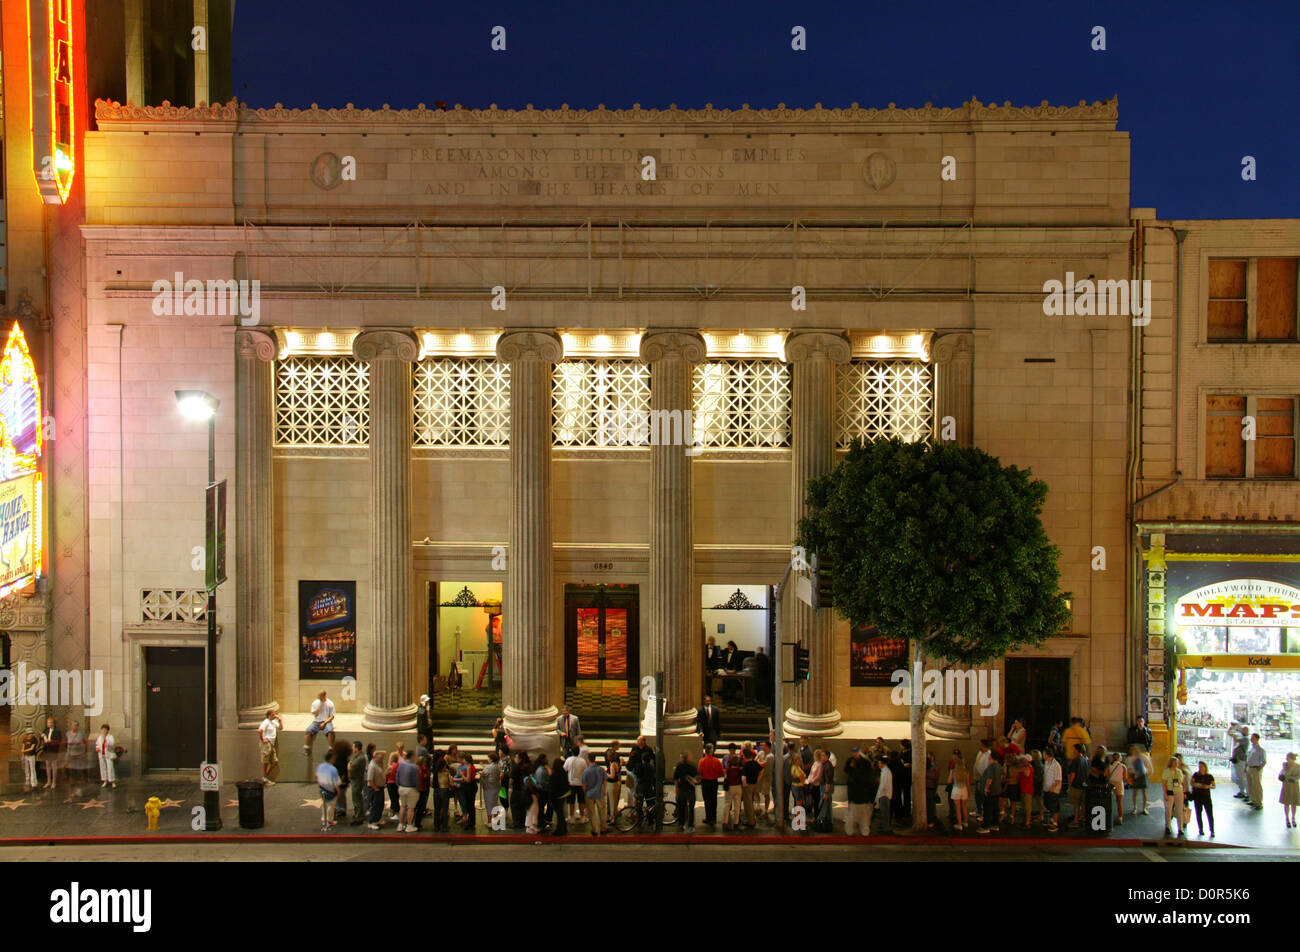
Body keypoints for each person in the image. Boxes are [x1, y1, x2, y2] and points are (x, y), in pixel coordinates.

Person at [844, 747, 876, 836]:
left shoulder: (865, 762)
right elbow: (846, 770)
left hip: (862, 793)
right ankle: (850, 830)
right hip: (853, 793)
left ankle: (865, 830)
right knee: (852, 813)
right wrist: (850, 767)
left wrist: (868, 789)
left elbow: (869, 776)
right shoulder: (850, 761)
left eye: (856, 752)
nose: (854, 754)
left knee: (864, 814)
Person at [977, 751, 1003, 834]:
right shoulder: (999, 766)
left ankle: (986, 826)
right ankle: (995, 824)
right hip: (997, 790)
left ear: (991, 757)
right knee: (995, 808)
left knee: (987, 808)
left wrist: (986, 788)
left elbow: (990, 779)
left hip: (991, 791)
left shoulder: (991, 767)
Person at [698, 744, 724, 826]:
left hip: (705, 782)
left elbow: (699, 772)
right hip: (714, 782)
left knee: (707, 800)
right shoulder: (716, 761)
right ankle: (714, 817)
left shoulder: (702, 761)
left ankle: (708, 817)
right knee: (713, 800)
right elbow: (721, 773)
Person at [317, 748, 342, 831]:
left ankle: (324, 820)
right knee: (331, 807)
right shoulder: (333, 769)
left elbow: (317, 777)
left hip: (322, 789)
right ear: (331, 759)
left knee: (324, 806)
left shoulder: (320, 766)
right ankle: (329, 821)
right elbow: (336, 782)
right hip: (331, 791)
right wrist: (338, 791)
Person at [396, 749, 420, 832]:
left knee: (402, 806)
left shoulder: (401, 765)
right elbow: (415, 780)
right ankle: (409, 825)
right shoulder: (414, 767)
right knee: (411, 808)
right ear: (412, 757)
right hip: (411, 788)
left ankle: (400, 824)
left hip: (401, 787)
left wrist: (398, 786)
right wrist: (418, 789)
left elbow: (397, 776)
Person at [673, 750, 698, 833]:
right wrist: (693, 781)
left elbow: (676, 778)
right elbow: (697, 777)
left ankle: (681, 823)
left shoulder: (679, 766)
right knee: (691, 807)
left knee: (682, 807)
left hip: (682, 788)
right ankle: (690, 824)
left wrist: (676, 788)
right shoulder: (692, 766)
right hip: (690, 789)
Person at [584, 752, 608, 835]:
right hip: (599, 793)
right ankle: (603, 828)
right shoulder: (601, 769)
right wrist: (605, 790)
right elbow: (605, 781)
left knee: (592, 812)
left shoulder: (586, 771)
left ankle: (594, 829)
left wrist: (585, 793)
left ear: (588, 760)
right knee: (602, 811)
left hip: (589, 794)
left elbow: (584, 784)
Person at [1161, 756, 1186, 837]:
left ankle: (1180, 828)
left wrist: (1184, 792)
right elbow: (1164, 784)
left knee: (1180, 810)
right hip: (1170, 791)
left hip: (1179, 791)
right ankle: (1168, 826)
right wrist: (1165, 794)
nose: (1176, 764)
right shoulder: (1167, 771)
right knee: (1169, 810)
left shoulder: (1179, 772)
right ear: (1171, 763)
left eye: (1177, 763)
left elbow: (1182, 782)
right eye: (1175, 763)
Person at [564, 745, 589, 823]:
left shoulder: (569, 760)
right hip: (580, 783)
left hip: (571, 783)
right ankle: (582, 817)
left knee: (571, 801)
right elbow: (586, 772)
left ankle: (571, 817)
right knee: (581, 801)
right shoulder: (582, 761)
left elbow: (564, 769)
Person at [1191, 760, 1217, 836]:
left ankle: (1212, 830)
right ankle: (1201, 829)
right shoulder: (1196, 775)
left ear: (1205, 767)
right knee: (1198, 814)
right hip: (1198, 797)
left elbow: (1214, 786)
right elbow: (1192, 783)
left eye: (1202, 766)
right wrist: (1197, 785)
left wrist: (1207, 786)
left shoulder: (1209, 776)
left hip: (1206, 797)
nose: (1200, 768)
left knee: (1209, 814)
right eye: (1199, 767)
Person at [1066, 744, 1089, 827]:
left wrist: (1070, 785)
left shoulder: (1075, 760)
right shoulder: (1085, 759)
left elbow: (1073, 774)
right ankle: (1082, 817)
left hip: (1076, 785)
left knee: (1076, 804)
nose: (1073, 751)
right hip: (1084, 784)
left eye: (1074, 749)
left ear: (1077, 750)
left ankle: (1075, 820)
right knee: (1083, 803)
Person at [548, 755, 571, 836]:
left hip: (556, 796)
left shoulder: (554, 775)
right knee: (561, 813)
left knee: (559, 813)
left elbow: (552, 788)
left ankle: (560, 829)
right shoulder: (563, 773)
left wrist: (550, 799)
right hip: (563, 794)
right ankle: (563, 828)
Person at [455, 753, 478, 829]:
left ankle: (471, 823)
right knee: (471, 805)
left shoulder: (468, 767)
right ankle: (471, 822)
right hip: (473, 786)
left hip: (469, 787)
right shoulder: (472, 766)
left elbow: (467, 780)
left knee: (470, 805)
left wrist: (462, 775)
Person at [723, 746, 744, 831]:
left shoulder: (728, 770)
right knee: (737, 805)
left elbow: (725, 777)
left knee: (727, 804)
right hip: (738, 787)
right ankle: (736, 822)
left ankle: (725, 821)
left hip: (730, 787)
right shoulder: (740, 770)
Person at [1041, 748, 1062, 832]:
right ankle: (1050, 820)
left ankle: (1055, 823)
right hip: (1046, 788)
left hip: (1053, 790)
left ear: (1047, 755)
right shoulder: (1046, 763)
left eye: (1044, 754)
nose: (1043, 755)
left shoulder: (1056, 765)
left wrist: (1052, 788)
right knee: (1048, 805)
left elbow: (1058, 779)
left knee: (1054, 806)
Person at [257, 708, 280, 785]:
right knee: (265, 761)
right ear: (269, 715)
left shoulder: (273, 722)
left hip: (271, 744)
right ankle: (265, 779)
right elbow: (260, 730)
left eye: (275, 714)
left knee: (275, 761)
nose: (275, 715)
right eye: (273, 714)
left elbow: (281, 727)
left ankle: (264, 778)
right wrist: (262, 739)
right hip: (267, 744)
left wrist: (280, 720)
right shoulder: (266, 722)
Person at [366, 749, 388, 829]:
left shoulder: (378, 763)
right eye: (380, 758)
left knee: (380, 805)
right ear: (376, 758)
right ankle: (371, 822)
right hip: (375, 788)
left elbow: (384, 753)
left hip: (380, 787)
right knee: (375, 806)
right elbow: (370, 780)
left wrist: (377, 752)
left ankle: (377, 819)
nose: (382, 759)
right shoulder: (372, 766)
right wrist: (375, 788)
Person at [1127, 744, 1152, 815]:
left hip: (1143, 776)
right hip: (1135, 776)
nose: (1134, 751)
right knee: (1135, 792)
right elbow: (1129, 768)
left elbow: (1148, 764)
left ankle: (1144, 808)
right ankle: (1135, 808)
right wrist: (1130, 777)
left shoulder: (1143, 757)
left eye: (1135, 750)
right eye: (1133, 750)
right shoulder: (1130, 758)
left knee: (1144, 792)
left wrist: (1148, 772)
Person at [481, 750, 503, 826]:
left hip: (489, 788)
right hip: (496, 787)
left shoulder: (489, 767)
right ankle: (496, 819)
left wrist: (481, 774)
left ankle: (490, 822)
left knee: (489, 804)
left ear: (491, 759)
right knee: (495, 803)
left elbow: (483, 774)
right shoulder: (498, 765)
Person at [741, 745, 761, 828]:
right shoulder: (755, 763)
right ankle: (752, 818)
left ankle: (751, 821)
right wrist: (758, 779)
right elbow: (761, 770)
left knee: (748, 803)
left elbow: (743, 777)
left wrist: (744, 784)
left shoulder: (746, 765)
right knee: (751, 801)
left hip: (748, 785)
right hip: (754, 784)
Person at [1246, 733, 1267, 809]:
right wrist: (1246, 767)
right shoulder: (1252, 748)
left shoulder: (1260, 750)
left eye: (1253, 738)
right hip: (1250, 768)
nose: (1251, 739)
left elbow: (1264, 761)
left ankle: (1259, 803)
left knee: (1257, 786)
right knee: (1250, 785)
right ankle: (1253, 800)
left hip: (1256, 769)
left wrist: (1259, 768)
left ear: (1257, 739)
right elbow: (1248, 759)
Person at [1279, 753, 1300, 828]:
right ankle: (1287, 818)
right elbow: (1281, 773)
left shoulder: (1298, 766)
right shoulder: (1285, 765)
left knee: (1294, 803)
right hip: (1286, 785)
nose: (1287, 760)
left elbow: (1298, 776)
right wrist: (1283, 772)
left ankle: (1293, 818)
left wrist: (1292, 778)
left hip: (1294, 786)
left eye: (1288, 758)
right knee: (1286, 802)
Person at [348, 741, 367, 825]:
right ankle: (358, 814)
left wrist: (349, 764)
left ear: (356, 748)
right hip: (355, 779)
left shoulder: (360, 758)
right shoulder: (357, 756)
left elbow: (350, 767)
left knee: (357, 799)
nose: (352, 749)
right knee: (356, 798)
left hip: (357, 780)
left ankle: (359, 818)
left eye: (353, 747)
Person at [1106, 751, 1128, 826]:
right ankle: (1120, 817)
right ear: (1119, 758)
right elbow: (1125, 778)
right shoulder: (1123, 766)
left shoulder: (1109, 765)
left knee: (1109, 801)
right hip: (1119, 783)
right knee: (1119, 802)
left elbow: (1106, 774)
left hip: (1111, 783)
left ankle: (1108, 817)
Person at [874, 755, 893, 834]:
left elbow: (883, 785)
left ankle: (886, 828)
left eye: (879, 763)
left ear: (882, 763)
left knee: (884, 813)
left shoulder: (886, 772)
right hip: (885, 794)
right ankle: (885, 826)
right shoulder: (886, 771)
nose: (878, 765)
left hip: (884, 795)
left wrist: (878, 795)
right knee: (884, 812)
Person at [972, 739, 991, 819]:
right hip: (977, 778)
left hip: (983, 778)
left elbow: (986, 768)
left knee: (983, 797)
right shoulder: (980, 752)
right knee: (977, 795)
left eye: (981, 745)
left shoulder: (988, 755)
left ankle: (984, 814)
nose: (979, 746)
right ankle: (978, 810)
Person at [65, 721, 87, 787]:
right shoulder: (68, 733)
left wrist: (85, 752)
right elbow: (66, 743)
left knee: (79, 768)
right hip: (71, 753)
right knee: (71, 768)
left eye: (75, 725)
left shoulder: (81, 733)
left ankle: (80, 781)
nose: (74, 727)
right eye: (73, 725)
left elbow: (85, 742)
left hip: (80, 753)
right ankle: (72, 781)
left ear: (77, 726)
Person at [95, 724, 117, 789]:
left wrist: (105, 738)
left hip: (108, 754)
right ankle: (105, 780)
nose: (103, 731)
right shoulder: (99, 737)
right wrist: (97, 747)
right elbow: (97, 743)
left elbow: (111, 744)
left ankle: (112, 781)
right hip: (101, 754)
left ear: (107, 731)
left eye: (105, 730)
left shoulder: (110, 737)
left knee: (110, 767)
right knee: (103, 767)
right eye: (102, 730)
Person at [1230, 728, 1250, 799]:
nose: (1242, 731)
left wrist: (1234, 729)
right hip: (1238, 760)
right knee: (1240, 777)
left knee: (1242, 777)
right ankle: (1242, 792)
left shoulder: (1245, 739)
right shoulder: (1242, 738)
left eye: (1243, 730)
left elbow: (1236, 738)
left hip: (1241, 760)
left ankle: (1246, 793)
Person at [604, 748, 623, 821]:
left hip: (612, 784)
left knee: (612, 802)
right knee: (614, 802)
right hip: (616, 784)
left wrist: (605, 774)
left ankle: (613, 818)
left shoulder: (612, 764)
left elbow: (612, 776)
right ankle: (613, 816)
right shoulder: (616, 763)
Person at [756, 740, 774, 818]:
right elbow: (755, 760)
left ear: (767, 747)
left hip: (766, 777)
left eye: (764, 745)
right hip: (759, 776)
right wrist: (758, 762)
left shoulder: (770, 756)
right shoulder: (760, 753)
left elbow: (763, 764)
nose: (762, 747)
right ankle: (758, 806)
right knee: (756, 791)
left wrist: (758, 762)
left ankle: (766, 810)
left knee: (766, 793)